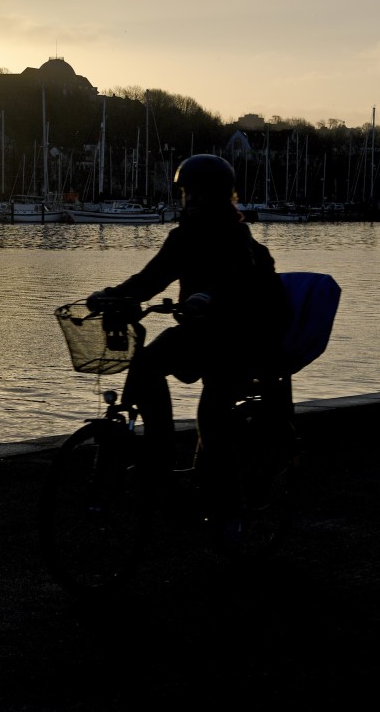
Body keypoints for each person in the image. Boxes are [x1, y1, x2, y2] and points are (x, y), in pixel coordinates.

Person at [87, 154, 291, 533]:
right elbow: (152, 278)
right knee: (145, 365)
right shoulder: (182, 238)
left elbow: (241, 284)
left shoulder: (237, 240)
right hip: (200, 332)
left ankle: (231, 508)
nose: (190, 200)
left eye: (199, 194)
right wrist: (113, 295)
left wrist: (210, 298)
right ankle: (160, 451)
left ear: (221, 197)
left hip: (243, 336)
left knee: (212, 413)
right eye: (186, 193)